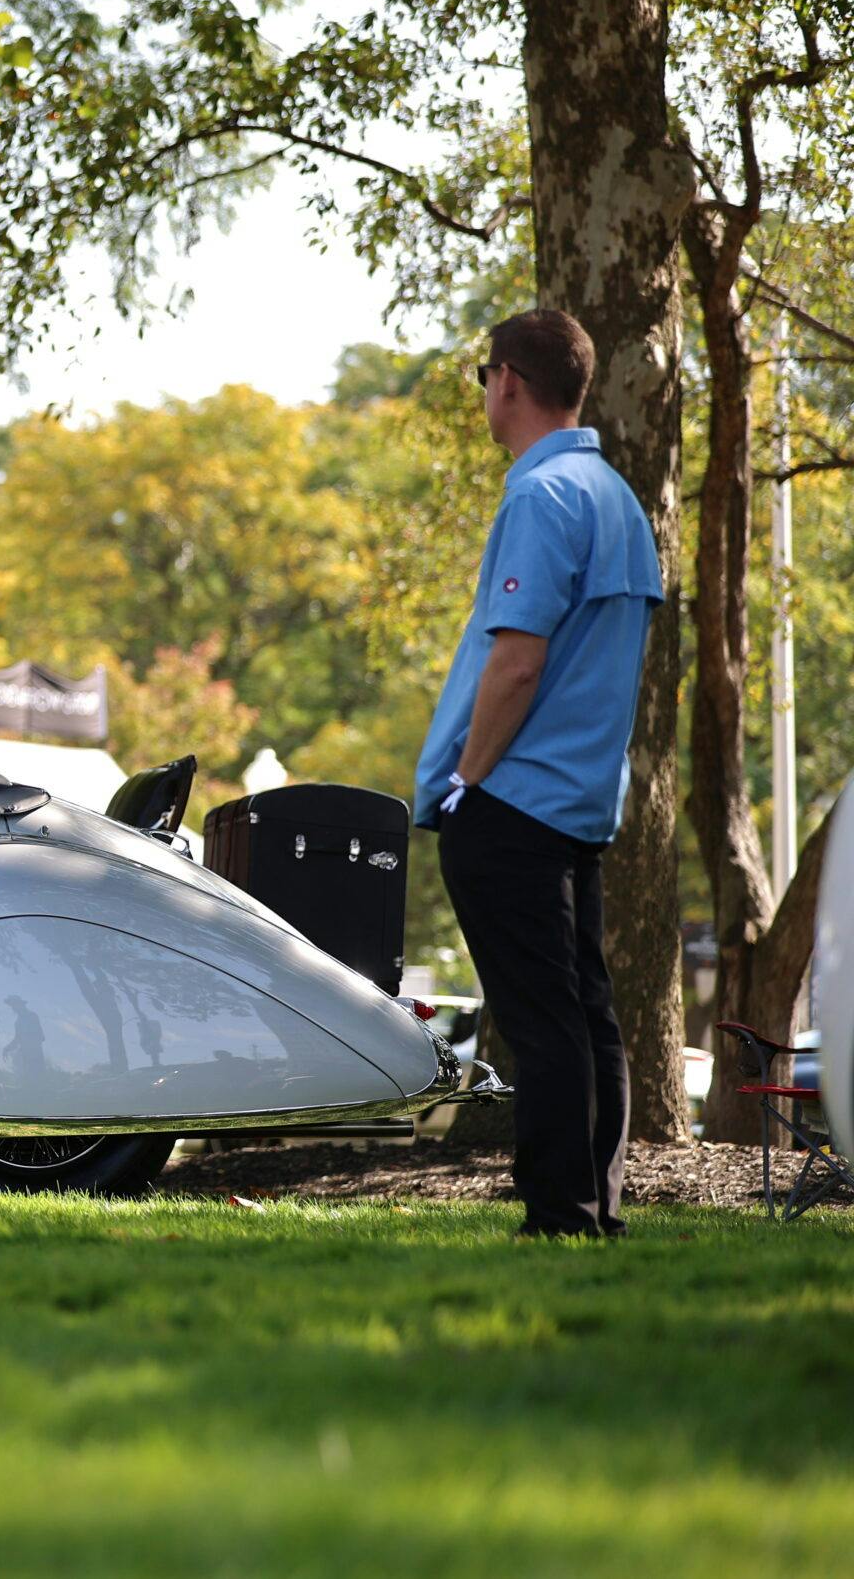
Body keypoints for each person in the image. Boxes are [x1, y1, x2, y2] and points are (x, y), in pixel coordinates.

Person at [413, 308, 663, 1240]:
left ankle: (558, 1215)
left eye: (485, 376)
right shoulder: (618, 498)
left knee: (544, 1017)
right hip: (581, 803)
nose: (485, 391)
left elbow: (515, 663)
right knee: (585, 1013)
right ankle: (594, 1204)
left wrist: (466, 782)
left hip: (514, 798)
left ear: (508, 379)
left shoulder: (542, 496)